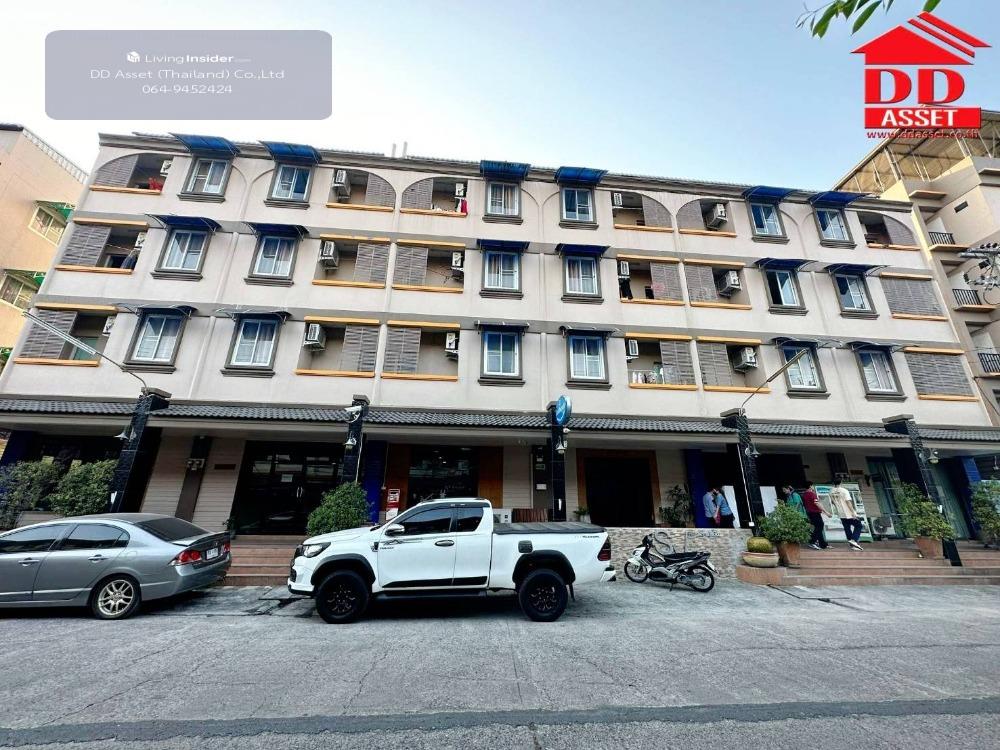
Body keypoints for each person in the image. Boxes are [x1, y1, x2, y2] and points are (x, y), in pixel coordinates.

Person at [829, 479, 863, 551]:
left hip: (840, 512)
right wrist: (853, 512)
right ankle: (853, 540)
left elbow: (832, 502)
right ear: (841, 482)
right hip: (848, 513)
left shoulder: (831, 491)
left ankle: (853, 545)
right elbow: (848, 502)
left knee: (847, 528)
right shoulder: (844, 491)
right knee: (859, 525)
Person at [801, 480, 828, 550]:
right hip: (815, 513)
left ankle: (823, 544)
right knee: (820, 526)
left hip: (810, 513)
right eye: (812, 485)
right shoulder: (812, 494)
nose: (813, 487)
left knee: (818, 527)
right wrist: (826, 512)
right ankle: (812, 541)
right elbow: (817, 503)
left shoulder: (804, 494)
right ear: (810, 486)